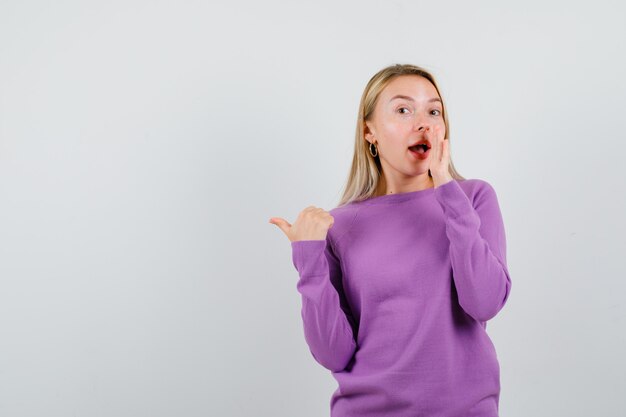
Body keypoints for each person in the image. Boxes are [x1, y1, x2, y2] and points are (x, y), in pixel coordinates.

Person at [269, 63, 512, 417]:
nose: (423, 122)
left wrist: (447, 191)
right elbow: (332, 354)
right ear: (370, 131)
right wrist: (309, 260)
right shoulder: (340, 225)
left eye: (433, 111)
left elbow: (485, 302)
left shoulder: (473, 198)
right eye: (403, 110)